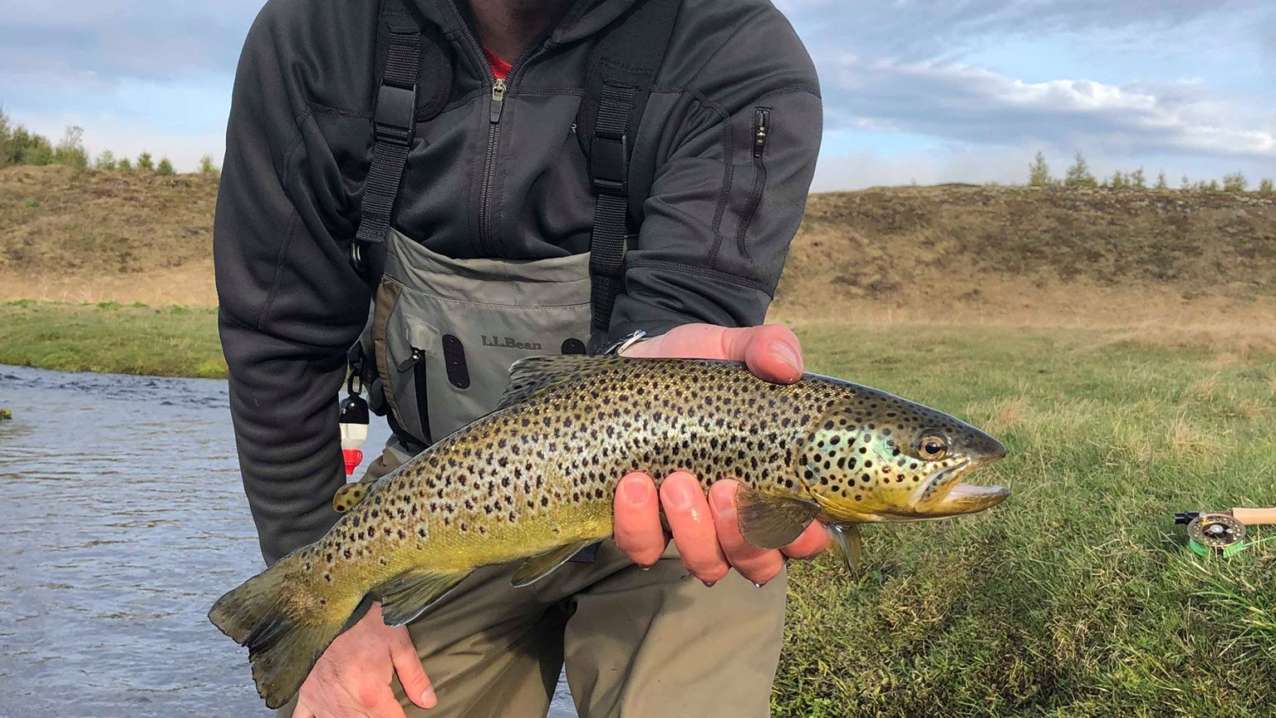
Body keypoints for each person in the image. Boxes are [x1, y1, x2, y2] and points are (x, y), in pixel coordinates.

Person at [214, 0, 824, 716]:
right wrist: (327, 598)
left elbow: (687, 310)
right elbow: (281, 343)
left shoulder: (735, 49)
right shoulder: (316, 36)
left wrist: (658, 356)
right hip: (444, 489)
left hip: (670, 501)